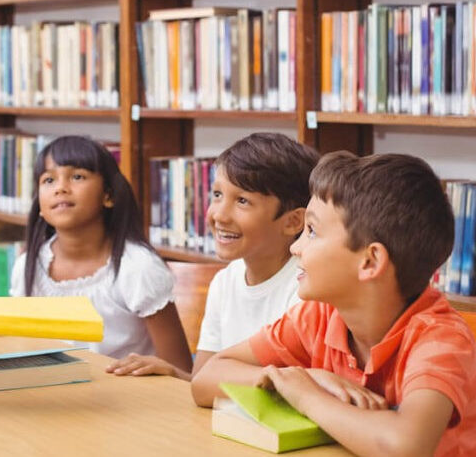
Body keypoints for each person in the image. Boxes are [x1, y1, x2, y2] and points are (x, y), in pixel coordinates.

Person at [192, 152, 476, 456]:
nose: (296, 246)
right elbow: (206, 379)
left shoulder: (439, 339)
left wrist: (306, 396)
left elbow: (405, 447)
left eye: (312, 231)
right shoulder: (319, 316)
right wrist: (295, 378)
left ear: (370, 261)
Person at [107, 132, 318, 380]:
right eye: (217, 195)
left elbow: (283, 388)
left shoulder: (305, 289)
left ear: (293, 222)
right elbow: (203, 380)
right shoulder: (224, 281)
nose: (219, 215)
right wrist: (172, 373)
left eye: (242, 201)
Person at [10, 135, 192, 374]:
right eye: (49, 180)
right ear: (40, 206)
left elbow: (180, 371)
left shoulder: (138, 268)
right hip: (54, 395)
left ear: (108, 195)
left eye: (77, 177)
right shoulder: (28, 265)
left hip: (129, 401)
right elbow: (21, 347)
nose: (60, 188)